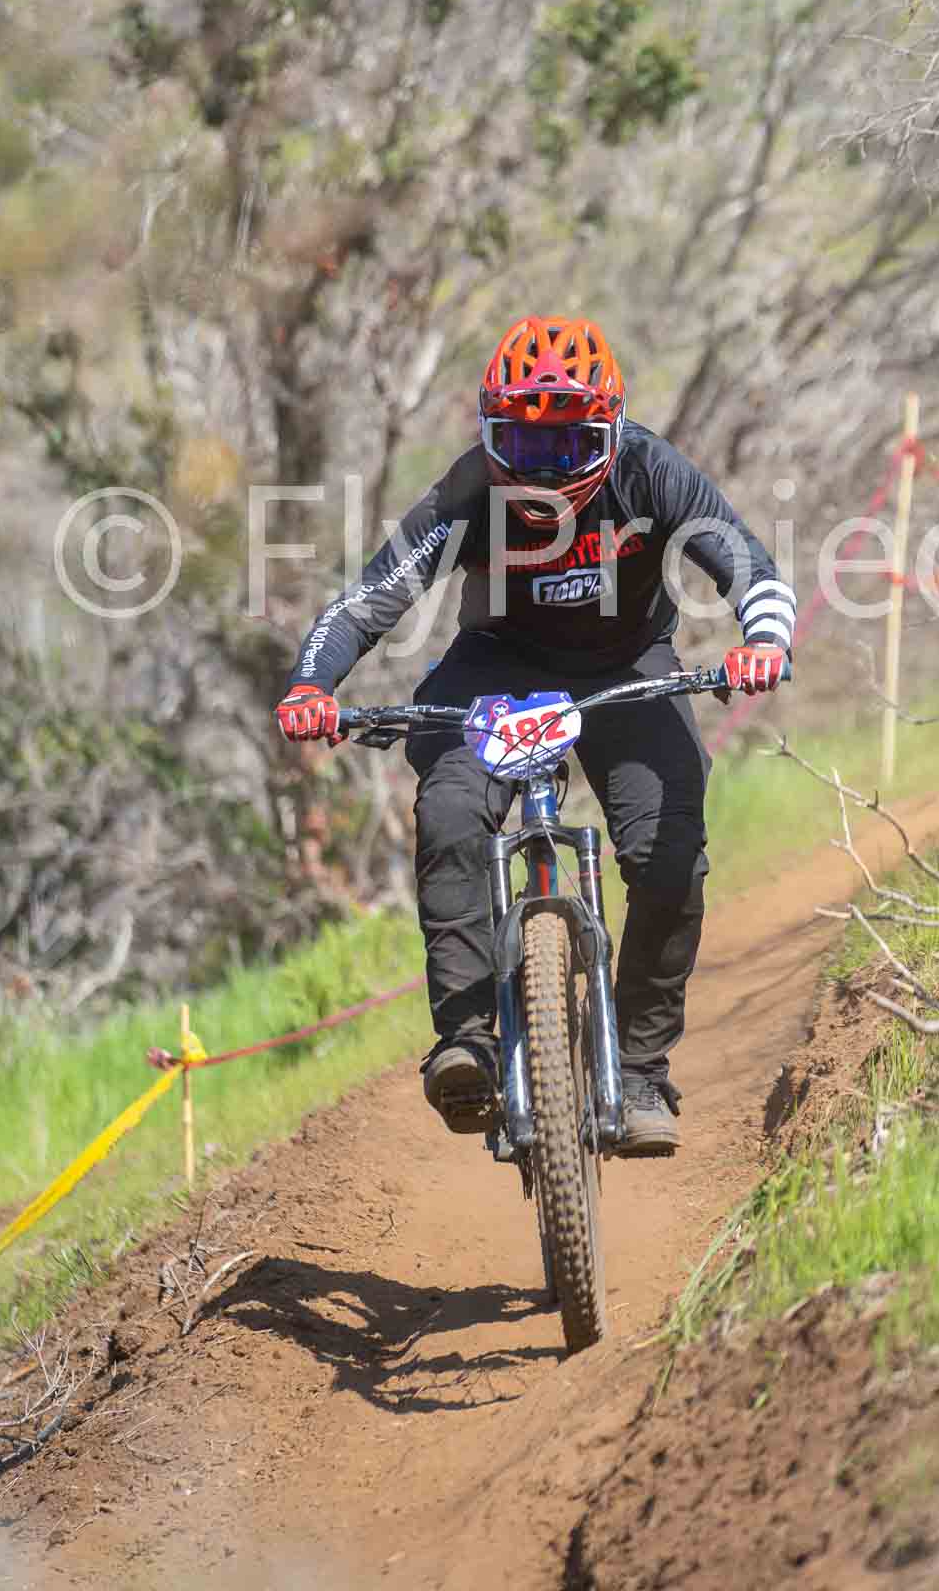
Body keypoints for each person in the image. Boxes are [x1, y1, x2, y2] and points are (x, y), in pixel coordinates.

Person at [275, 315, 795, 1155]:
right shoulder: (471, 485)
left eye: (567, 444)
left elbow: (749, 566)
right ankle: (469, 1041)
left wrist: (764, 642)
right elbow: (369, 599)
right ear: (491, 432)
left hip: (628, 665)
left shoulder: (650, 470)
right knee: (449, 815)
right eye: (523, 439)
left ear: (611, 430)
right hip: (497, 667)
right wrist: (311, 684)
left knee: (668, 855)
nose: (543, 465)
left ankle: (638, 1070)